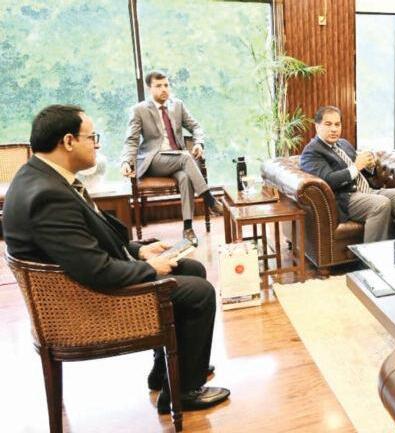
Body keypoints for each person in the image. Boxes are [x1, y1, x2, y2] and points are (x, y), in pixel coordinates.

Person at [4, 105, 230, 413]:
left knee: (190, 267)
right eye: (91, 137)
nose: (96, 145)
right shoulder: (47, 196)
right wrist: (148, 268)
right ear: (68, 141)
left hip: (78, 284)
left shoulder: (42, 177)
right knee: (199, 292)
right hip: (82, 305)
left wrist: (137, 251)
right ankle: (183, 392)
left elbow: (84, 243)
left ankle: (170, 370)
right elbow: (96, 270)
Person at [121, 70, 222, 246]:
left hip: (176, 159)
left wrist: (199, 143)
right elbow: (132, 140)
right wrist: (126, 161)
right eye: (158, 86)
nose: (164, 89)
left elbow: (196, 127)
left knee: (185, 177)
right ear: (149, 88)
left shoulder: (177, 105)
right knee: (186, 157)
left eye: (166, 85)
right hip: (154, 160)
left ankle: (188, 228)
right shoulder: (139, 110)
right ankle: (210, 200)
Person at [299, 105, 395, 242]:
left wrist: (369, 166)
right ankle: (372, 256)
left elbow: (361, 171)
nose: (334, 129)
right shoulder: (312, 152)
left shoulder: (343, 144)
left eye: (337, 124)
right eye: (328, 124)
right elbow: (329, 180)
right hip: (346, 198)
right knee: (381, 204)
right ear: (317, 126)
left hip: (367, 190)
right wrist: (357, 166)